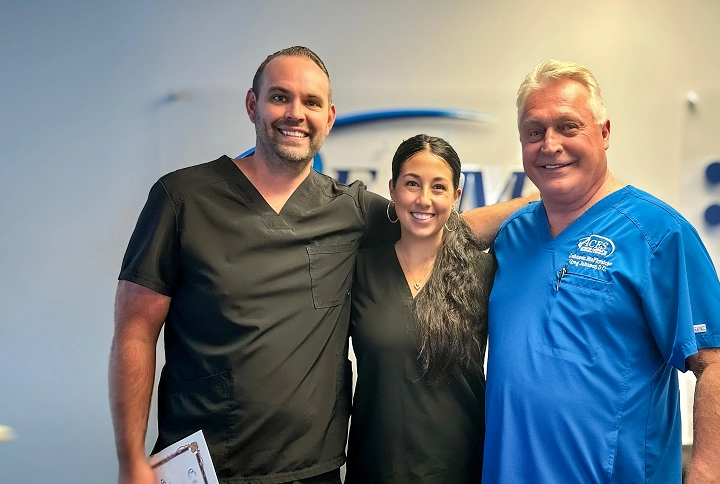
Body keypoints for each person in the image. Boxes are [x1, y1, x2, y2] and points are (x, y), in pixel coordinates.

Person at [109, 46, 528, 484]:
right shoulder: (182, 199)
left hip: (314, 470)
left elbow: (437, 225)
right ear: (252, 104)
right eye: (280, 97)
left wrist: (542, 202)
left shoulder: (350, 209)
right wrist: (130, 457)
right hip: (208, 463)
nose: (296, 113)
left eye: (311, 102)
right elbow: (135, 331)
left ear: (328, 118)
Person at [483, 59, 720, 483]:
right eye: (534, 132)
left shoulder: (658, 233)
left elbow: (714, 363)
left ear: (605, 132)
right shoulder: (511, 236)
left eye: (568, 127)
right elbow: (434, 232)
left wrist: (707, 472)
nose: (550, 144)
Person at [345, 134, 494, 483]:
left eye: (439, 187)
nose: (424, 199)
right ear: (393, 189)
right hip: (376, 468)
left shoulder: (485, 272)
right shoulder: (360, 269)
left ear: (456, 196)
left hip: (459, 469)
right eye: (412, 183)